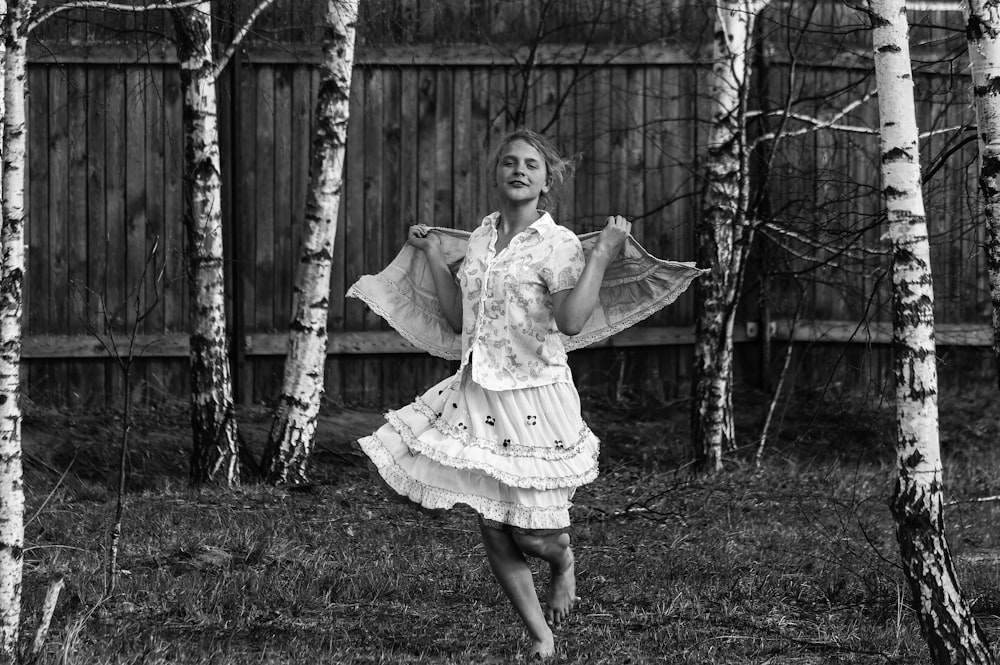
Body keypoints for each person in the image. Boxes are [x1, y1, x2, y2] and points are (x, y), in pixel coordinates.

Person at [351, 128, 700, 660]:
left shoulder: (556, 243)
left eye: (531, 165)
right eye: (510, 162)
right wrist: (428, 254)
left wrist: (602, 254)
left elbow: (573, 321)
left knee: (536, 537)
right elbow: (454, 320)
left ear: (546, 178)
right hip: (480, 392)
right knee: (493, 523)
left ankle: (562, 562)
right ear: (496, 173)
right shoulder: (481, 238)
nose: (519, 170)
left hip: (536, 396)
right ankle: (541, 636)